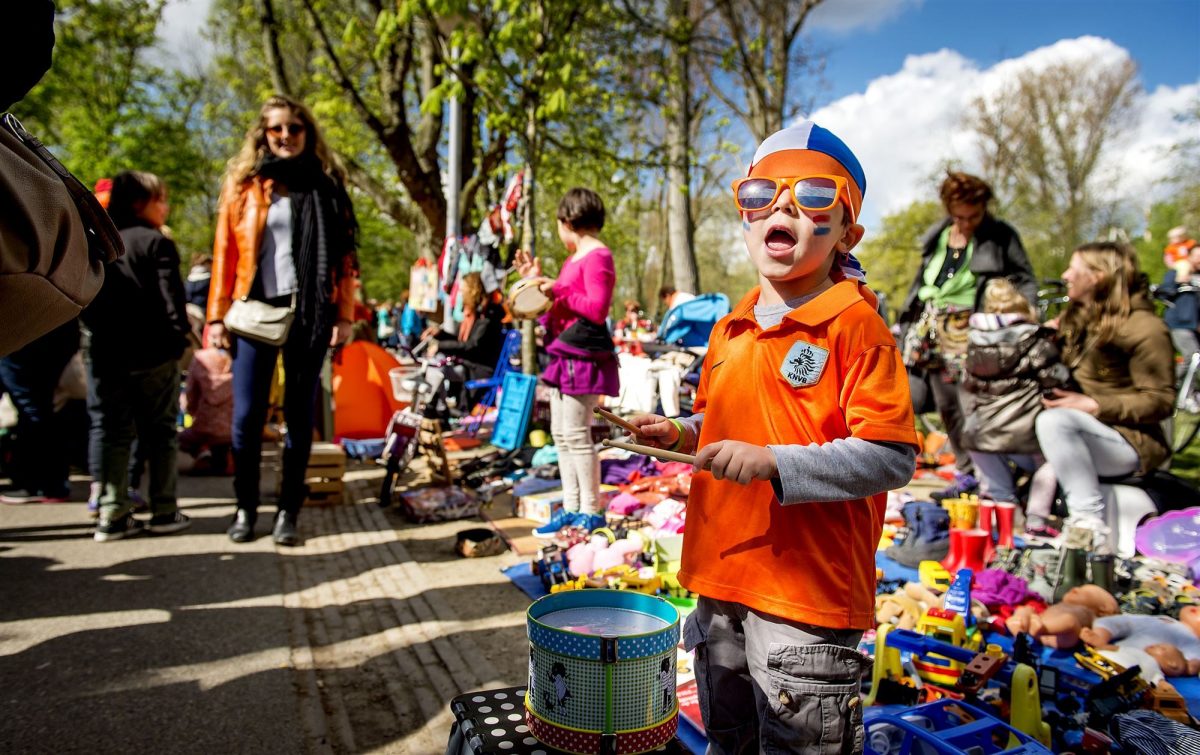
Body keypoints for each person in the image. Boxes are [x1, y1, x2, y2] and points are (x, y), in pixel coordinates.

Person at [628, 122, 917, 752]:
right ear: (746, 220)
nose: (782, 206)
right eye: (761, 193)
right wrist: (679, 431)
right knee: (728, 742)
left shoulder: (856, 327)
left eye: (814, 195)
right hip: (719, 580)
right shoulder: (730, 325)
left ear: (847, 233)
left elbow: (892, 456)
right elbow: (723, 426)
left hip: (804, 606)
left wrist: (775, 463)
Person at [207, 94, 359, 546]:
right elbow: (224, 254)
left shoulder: (328, 187)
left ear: (307, 133)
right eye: (277, 129)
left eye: (295, 128)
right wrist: (215, 315)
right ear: (264, 134)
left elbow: (347, 260)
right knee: (249, 416)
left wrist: (345, 315)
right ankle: (244, 508)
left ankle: (287, 512)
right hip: (255, 310)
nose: (286, 136)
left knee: (299, 415)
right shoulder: (245, 186)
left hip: (312, 313)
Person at [897, 171, 1037, 501]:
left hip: (973, 330)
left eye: (974, 215)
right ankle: (966, 472)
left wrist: (1025, 316)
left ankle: (994, 476)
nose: (967, 221)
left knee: (970, 402)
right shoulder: (938, 236)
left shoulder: (1000, 235)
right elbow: (923, 282)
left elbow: (1025, 278)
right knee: (945, 405)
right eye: (959, 215)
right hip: (932, 329)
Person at [1034, 242, 1174, 534]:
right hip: (1084, 431)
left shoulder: (1145, 328)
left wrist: (1094, 404)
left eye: (1074, 268)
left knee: (1054, 422)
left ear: (1098, 276)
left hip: (1129, 441)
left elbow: (1161, 400)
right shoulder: (1079, 318)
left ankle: (1088, 525)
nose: (1066, 274)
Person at [82, 171, 192, 541]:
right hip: (154, 354)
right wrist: (179, 341)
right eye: (161, 199)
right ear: (139, 202)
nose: (167, 207)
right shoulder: (155, 243)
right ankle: (164, 509)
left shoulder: (99, 242)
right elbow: (171, 301)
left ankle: (112, 513)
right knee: (160, 432)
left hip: (106, 352)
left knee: (113, 432)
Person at [516, 188, 619, 535]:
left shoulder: (598, 256)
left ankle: (590, 511)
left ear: (567, 221)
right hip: (566, 354)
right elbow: (559, 313)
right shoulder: (574, 259)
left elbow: (596, 308)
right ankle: (572, 507)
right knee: (560, 435)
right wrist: (535, 287)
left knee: (576, 436)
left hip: (584, 357)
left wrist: (555, 289)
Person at [957, 278, 1069, 522]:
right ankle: (1036, 520)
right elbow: (1056, 379)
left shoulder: (974, 343)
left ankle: (1003, 530)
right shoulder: (1036, 340)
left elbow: (967, 385)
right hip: (1025, 431)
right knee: (1050, 461)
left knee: (999, 495)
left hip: (980, 430)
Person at [0, 320, 79, 504]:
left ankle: (42, 484)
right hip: (55, 325)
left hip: (21, 333)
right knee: (43, 407)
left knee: (33, 410)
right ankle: (51, 483)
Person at [1157, 243, 1200, 379]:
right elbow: (1161, 292)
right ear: (1189, 257)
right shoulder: (1176, 272)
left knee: (1195, 360)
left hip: (1195, 326)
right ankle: (1168, 386)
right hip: (1179, 324)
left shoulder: (1198, 276)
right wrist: (1178, 283)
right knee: (1192, 357)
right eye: (1197, 256)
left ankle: (1190, 393)